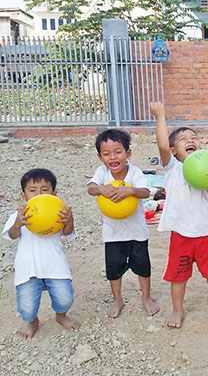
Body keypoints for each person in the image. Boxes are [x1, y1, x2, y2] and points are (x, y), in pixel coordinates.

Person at [150, 102, 208, 328]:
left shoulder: (206, 167)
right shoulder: (172, 167)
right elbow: (162, 145)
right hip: (181, 235)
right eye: (183, 139)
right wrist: (161, 116)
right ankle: (178, 309)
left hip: (205, 231)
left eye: (193, 137)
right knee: (179, 275)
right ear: (174, 150)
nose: (190, 140)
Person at [87, 129, 160, 318]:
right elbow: (91, 188)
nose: (113, 157)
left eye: (118, 151)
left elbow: (145, 192)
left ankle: (146, 296)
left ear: (128, 153)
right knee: (114, 269)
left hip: (137, 232)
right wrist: (101, 188)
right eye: (106, 153)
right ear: (100, 157)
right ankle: (117, 298)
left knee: (143, 267)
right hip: (113, 234)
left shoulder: (134, 172)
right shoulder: (102, 173)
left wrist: (130, 191)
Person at [2, 169, 79, 338]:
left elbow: (67, 233)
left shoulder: (57, 212)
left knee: (65, 298)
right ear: (24, 195)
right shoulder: (19, 215)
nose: (38, 194)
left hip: (54, 266)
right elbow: (12, 236)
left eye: (44, 190)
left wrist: (69, 220)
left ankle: (60, 315)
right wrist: (17, 224)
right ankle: (33, 321)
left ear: (54, 194)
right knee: (27, 308)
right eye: (32, 190)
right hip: (28, 269)